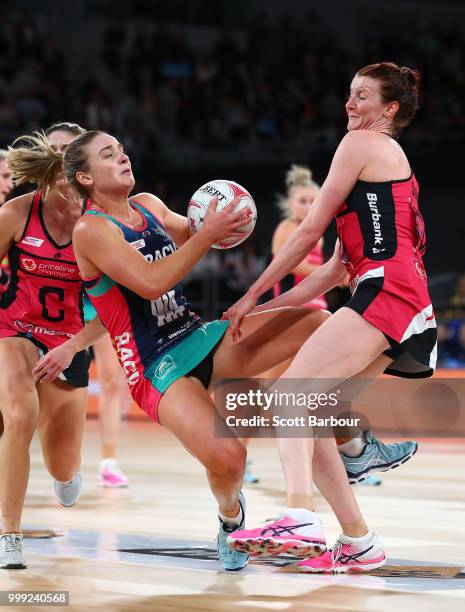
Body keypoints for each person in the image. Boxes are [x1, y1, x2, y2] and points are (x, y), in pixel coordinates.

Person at [31, 128, 380, 573]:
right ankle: (231, 519)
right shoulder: (90, 230)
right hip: (155, 368)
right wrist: (205, 234)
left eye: (121, 148)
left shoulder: (149, 207)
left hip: (196, 335)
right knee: (231, 460)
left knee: (316, 321)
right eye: (108, 154)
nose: (123, 156)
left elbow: (206, 236)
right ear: (84, 177)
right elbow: (151, 282)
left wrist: (228, 221)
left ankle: (350, 441)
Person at [225, 62, 436, 572]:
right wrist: (264, 303)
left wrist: (252, 287)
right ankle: (360, 541)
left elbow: (307, 231)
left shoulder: (361, 144)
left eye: (362, 96)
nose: (350, 104)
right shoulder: (380, 163)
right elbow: (335, 269)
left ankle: (299, 515)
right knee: (311, 414)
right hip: (403, 299)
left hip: (388, 291)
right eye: (348, 94)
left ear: (388, 110)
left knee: (289, 394)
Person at [0, 123, 106, 570]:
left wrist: (72, 347)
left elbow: (116, 312)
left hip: (71, 343)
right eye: (56, 151)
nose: (63, 161)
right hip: (14, 329)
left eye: (71, 154)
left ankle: (64, 471)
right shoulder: (16, 212)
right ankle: (9, 534)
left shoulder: (101, 223)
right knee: (19, 415)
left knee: (63, 468)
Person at [83, 296, 130, 487]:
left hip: (107, 303)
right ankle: (62, 464)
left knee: (111, 383)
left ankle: (108, 463)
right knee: (61, 379)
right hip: (70, 299)